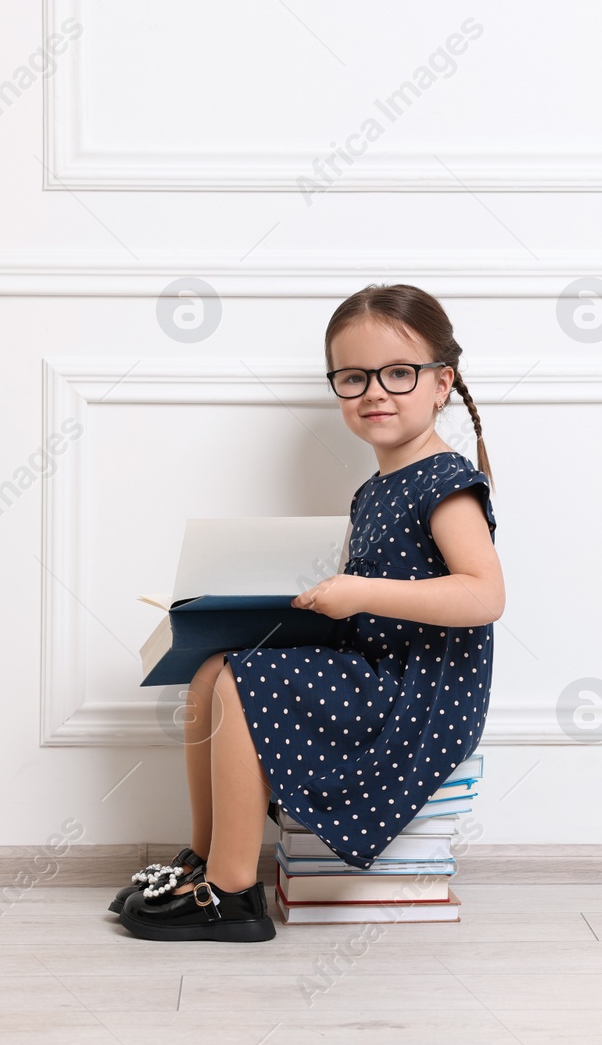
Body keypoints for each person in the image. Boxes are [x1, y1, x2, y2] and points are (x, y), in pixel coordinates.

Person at [114, 283, 503, 942]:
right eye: (353, 378)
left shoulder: (446, 482)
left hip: (422, 692)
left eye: (398, 373)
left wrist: (360, 592)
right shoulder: (375, 490)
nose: (375, 391)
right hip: (380, 669)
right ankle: (204, 859)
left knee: (245, 681)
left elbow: (483, 594)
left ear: (442, 383)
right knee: (214, 669)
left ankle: (233, 891)